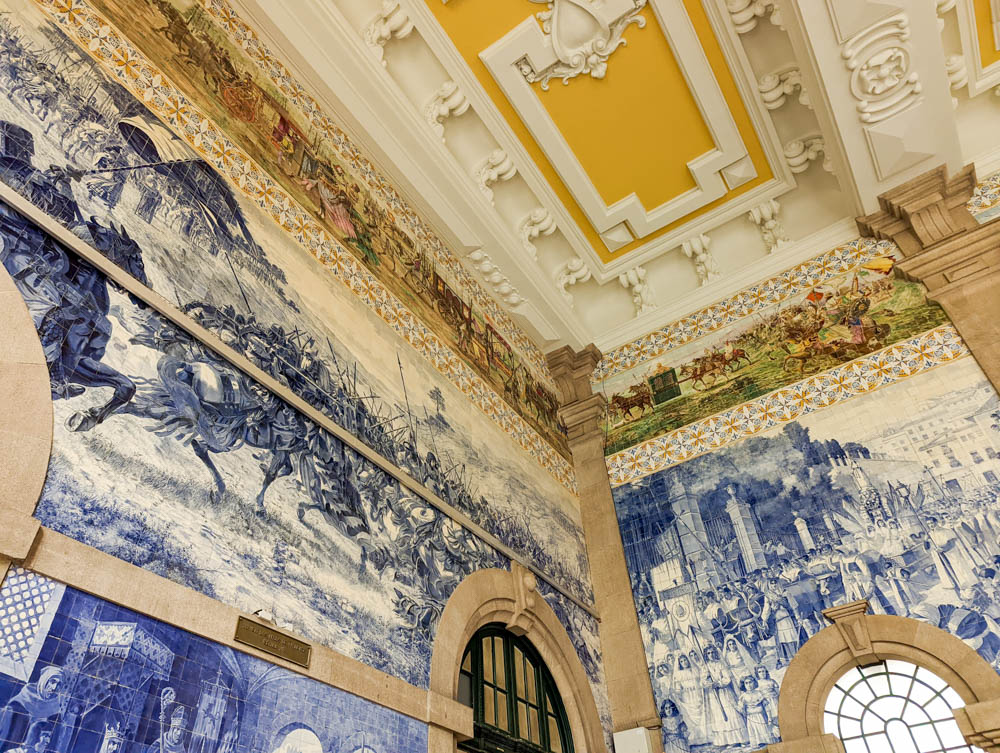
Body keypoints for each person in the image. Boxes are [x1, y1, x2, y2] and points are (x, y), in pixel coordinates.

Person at [0, 667, 64, 749]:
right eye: (52, 681)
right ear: (44, 679)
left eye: (59, 684)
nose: (54, 687)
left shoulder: (55, 709)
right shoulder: (25, 695)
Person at [702, 645, 748, 747]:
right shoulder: (705, 667)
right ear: (706, 655)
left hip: (724, 692)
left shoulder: (720, 664)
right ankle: (729, 741)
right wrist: (708, 683)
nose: (711, 655)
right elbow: (702, 682)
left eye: (712, 652)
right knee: (719, 716)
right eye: (709, 653)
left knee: (731, 712)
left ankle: (741, 739)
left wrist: (718, 683)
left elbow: (727, 678)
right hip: (714, 695)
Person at [671, 655, 708, 746]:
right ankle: (696, 738)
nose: (684, 662)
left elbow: (700, 680)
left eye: (685, 660)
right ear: (679, 664)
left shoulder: (695, 670)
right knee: (691, 716)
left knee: (701, 713)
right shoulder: (679, 674)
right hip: (687, 696)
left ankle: (706, 736)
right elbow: (678, 687)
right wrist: (679, 691)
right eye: (682, 661)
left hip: (697, 694)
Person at [736, 676, 778, 748]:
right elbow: (740, 708)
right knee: (754, 732)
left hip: (761, 716)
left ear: (754, 683)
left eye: (750, 682)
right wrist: (739, 708)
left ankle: (766, 742)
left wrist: (769, 718)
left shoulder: (759, 693)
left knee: (764, 731)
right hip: (751, 718)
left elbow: (767, 707)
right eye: (746, 683)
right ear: (744, 685)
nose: (749, 685)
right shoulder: (743, 696)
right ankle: (758, 743)